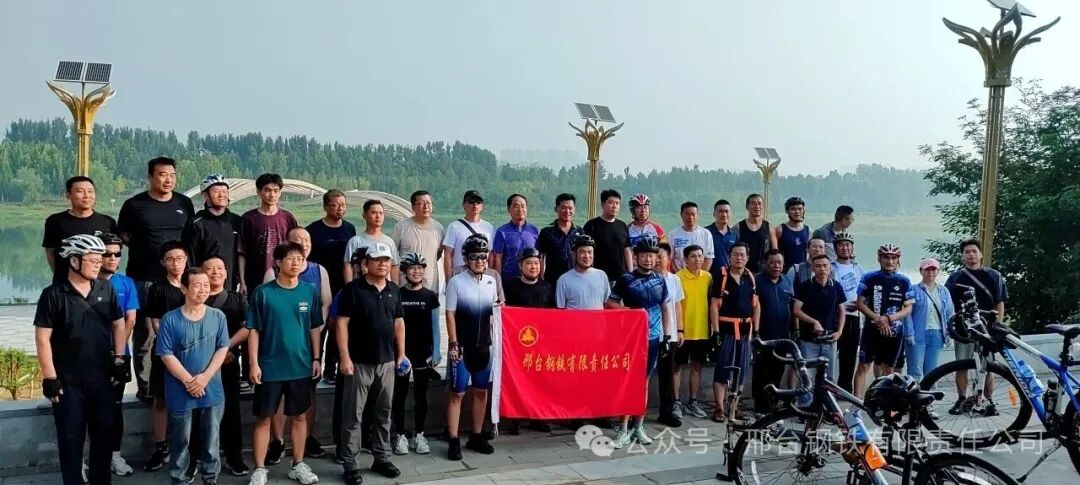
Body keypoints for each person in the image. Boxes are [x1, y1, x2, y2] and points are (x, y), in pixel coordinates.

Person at [35, 235, 126, 485]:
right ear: (74, 261)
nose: (99, 264)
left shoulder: (106, 289)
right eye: (93, 260)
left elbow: (119, 323)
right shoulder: (53, 294)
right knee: (70, 442)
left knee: (103, 440)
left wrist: (119, 359)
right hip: (68, 383)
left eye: (100, 259)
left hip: (101, 379)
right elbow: (42, 337)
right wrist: (50, 377)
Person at [246, 242, 324, 485]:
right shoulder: (263, 292)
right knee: (264, 418)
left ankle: (298, 464)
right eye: (290, 258)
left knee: (299, 416)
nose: (296, 263)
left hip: (300, 366)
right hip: (269, 367)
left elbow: (314, 327)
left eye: (300, 258)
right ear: (278, 262)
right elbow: (253, 330)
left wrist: (316, 358)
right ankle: (259, 469)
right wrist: (253, 363)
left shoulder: (309, 291)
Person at [117, 157, 195, 401]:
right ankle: (147, 385)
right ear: (150, 177)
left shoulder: (183, 203)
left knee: (183, 328)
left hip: (179, 279)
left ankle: (181, 378)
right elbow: (124, 236)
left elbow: (189, 236)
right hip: (144, 278)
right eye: (162, 174)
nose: (168, 179)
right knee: (146, 332)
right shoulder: (134, 205)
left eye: (172, 175)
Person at [336, 242, 406, 483]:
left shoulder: (394, 289)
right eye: (378, 260)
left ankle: (382, 458)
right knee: (353, 416)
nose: (383, 264)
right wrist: (344, 357)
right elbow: (341, 323)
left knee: (384, 413)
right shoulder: (353, 290)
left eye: (386, 260)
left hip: (386, 362)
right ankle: (351, 464)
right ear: (366, 264)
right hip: (358, 362)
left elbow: (398, 323)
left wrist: (401, 355)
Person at [262, 227, 333, 461]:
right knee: (279, 393)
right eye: (298, 240)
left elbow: (325, 304)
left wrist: (315, 330)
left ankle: (307, 438)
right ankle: (278, 441)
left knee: (308, 391)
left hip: (311, 341)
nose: (304, 243)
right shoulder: (272, 274)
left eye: (307, 239)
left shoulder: (319, 271)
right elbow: (266, 313)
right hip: (280, 345)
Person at [156, 268, 231, 485]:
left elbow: (222, 348)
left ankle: (210, 477)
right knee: (181, 440)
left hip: (212, 388)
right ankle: (179, 478)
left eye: (206, 285)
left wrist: (205, 378)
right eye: (197, 285)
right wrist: (189, 381)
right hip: (180, 390)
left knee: (212, 440)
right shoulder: (170, 319)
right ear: (184, 288)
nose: (203, 290)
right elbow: (165, 354)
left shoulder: (218, 316)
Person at [606, 235, 670, 449]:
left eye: (652, 256)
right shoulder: (627, 279)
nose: (648, 260)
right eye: (644, 255)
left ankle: (638, 427)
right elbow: (610, 303)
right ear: (636, 256)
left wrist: (667, 336)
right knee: (629, 382)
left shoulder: (660, 279)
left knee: (644, 383)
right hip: (632, 339)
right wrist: (631, 311)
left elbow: (665, 307)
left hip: (654, 338)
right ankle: (623, 429)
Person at [444, 235, 499, 460]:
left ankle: (476, 435)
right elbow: (450, 314)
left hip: (485, 346)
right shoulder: (456, 282)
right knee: (457, 394)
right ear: (466, 259)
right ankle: (453, 439)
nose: (480, 261)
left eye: (483, 257)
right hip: (463, 347)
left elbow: (495, 314)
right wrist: (453, 343)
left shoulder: (491, 282)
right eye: (475, 257)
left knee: (480, 392)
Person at [944, 239, 1007, 416]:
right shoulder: (956, 278)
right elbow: (948, 304)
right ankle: (961, 400)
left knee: (989, 366)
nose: (971, 255)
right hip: (964, 329)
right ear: (962, 256)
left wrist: (997, 325)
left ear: (980, 254)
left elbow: (1000, 302)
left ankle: (989, 401)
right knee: (962, 365)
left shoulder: (994, 275)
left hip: (987, 328)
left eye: (974, 251)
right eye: (967, 252)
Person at [202, 256, 251, 476]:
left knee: (231, 410)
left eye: (220, 268)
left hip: (229, 362)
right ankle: (198, 456)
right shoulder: (196, 298)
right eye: (210, 268)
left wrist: (225, 348)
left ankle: (233, 456)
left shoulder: (236, 299)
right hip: (199, 364)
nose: (216, 272)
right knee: (199, 411)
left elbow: (247, 328)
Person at [144, 241, 190, 472]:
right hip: (166, 351)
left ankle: (190, 447)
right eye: (170, 259)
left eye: (179, 258)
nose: (176, 263)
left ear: (186, 260)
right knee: (160, 399)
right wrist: (172, 347)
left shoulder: (194, 284)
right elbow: (156, 323)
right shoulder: (157, 289)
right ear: (163, 262)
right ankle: (161, 447)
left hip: (193, 351)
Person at [96, 233, 138, 477]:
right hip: (92, 356)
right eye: (107, 254)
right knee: (88, 408)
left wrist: (118, 347)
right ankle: (87, 458)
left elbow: (130, 319)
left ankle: (115, 455)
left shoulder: (126, 283)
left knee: (114, 406)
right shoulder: (86, 282)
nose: (112, 258)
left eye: (117, 254)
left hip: (120, 355)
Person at [501, 247, 555, 435]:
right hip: (518, 343)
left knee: (540, 381)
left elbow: (553, 316)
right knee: (518, 381)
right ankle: (515, 418)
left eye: (536, 263)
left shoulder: (547, 287)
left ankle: (537, 418)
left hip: (541, 343)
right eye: (529, 263)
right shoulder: (510, 286)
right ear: (520, 265)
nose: (533, 267)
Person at [390, 253, 441, 452]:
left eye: (420, 268)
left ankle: (419, 434)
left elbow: (436, 326)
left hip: (423, 353)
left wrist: (436, 352)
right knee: (400, 394)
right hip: (402, 353)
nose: (416, 272)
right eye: (412, 268)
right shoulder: (397, 294)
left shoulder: (430, 296)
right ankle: (400, 435)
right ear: (404, 272)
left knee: (421, 395)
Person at [305, 190, 356, 386]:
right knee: (319, 327)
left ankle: (331, 371)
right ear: (325, 206)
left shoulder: (349, 229)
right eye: (335, 205)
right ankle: (314, 365)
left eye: (343, 205)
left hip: (342, 288)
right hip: (318, 286)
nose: (340, 208)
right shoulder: (313, 230)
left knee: (338, 328)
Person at [854, 244, 915, 398]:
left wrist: (889, 318)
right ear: (879, 259)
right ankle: (856, 403)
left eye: (893, 258)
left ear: (898, 260)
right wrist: (878, 319)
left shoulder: (904, 281)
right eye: (886, 257)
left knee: (889, 369)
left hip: (894, 331)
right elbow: (860, 303)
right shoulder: (869, 277)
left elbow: (908, 308)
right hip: (871, 329)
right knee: (863, 366)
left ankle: (885, 402)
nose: (890, 261)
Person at [710, 242, 760, 421]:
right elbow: (714, 305)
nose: (739, 258)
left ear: (747, 257)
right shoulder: (721, 277)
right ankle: (719, 408)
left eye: (742, 255)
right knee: (723, 369)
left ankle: (734, 407)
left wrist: (756, 331)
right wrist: (716, 332)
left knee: (742, 370)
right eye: (735, 254)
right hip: (727, 331)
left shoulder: (750, 278)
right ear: (729, 257)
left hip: (746, 332)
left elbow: (756, 305)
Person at [43, 176, 118, 285]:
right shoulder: (55, 221)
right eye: (80, 191)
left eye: (90, 191)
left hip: (98, 284)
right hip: (65, 284)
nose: (87, 196)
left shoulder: (108, 222)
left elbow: (114, 252)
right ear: (68, 195)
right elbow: (50, 252)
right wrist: (59, 275)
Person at [238, 173, 298, 297]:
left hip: (283, 278)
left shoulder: (288, 218)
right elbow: (242, 253)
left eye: (276, 191)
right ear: (258, 192)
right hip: (254, 280)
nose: (272, 195)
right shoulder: (248, 219)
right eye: (267, 190)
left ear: (280, 193)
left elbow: (296, 251)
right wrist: (242, 282)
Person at [182, 174, 242, 290]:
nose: (221, 195)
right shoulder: (196, 223)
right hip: (204, 287)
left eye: (224, 191)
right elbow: (189, 258)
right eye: (216, 191)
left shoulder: (236, 221)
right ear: (205, 195)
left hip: (231, 285)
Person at [793, 254, 847, 382]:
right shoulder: (805, 286)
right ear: (813, 268)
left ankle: (825, 396)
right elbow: (796, 310)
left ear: (829, 268)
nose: (822, 269)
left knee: (828, 379)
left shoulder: (836, 286)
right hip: (809, 341)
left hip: (830, 340)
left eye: (825, 266)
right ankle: (807, 397)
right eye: (818, 266)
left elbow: (842, 311)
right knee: (807, 378)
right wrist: (814, 322)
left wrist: (839, 332)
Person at [674, 245, 714, 419]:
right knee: (677, 367)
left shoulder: (708, 277)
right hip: (682, 332)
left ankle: (693, 401)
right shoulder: (678, 277)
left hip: (702, 330)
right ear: (685, 259)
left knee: (697, 366)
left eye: (700, 256)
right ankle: (676, 402)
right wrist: (678, 329)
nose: (697, 259)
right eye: (693, 256)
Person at [753, 249, 793, 412]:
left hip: (783, 335)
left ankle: (773, 401)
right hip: (763, 335)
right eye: (772, 263)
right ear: (765, 263)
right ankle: (761, 404)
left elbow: (792, 305)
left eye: (779, 263)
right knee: (762, 370)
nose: (776, 266)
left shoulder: (787, 281)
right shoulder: (756, 281)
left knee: (778, 368)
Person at [904, 258, 954, 382]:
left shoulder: (944, 291)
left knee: (932, 372)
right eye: (927, 269)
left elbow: (949, 313)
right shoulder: (913, 290)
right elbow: (907, 314)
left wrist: (949, 333)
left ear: (938, 271)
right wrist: (909, 333)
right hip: (917, 334)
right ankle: (914, 394)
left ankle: (929, 394)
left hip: (937, 335)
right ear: (921, 271)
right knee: (915, 371)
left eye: (933, 269)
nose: (930, 272)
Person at [830, 232, 866, 394]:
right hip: (834, 317)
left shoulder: (859, 269)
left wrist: (860, 305)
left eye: (847, 245)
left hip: (854, 316)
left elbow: (866, 293)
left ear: (852, 248)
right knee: (831, 353)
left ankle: (844, 389)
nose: (845, 248)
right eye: (841, 245)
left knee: (849, 355)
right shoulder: (831, 267)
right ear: (835, 248)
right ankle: (828, 389)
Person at [654, 243, 684, 427]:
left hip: (670, 335)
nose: (657, 260)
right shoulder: (645, 280)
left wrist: (680, 330)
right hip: (650, 335)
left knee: (667, 374)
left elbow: (677, 306)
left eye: (661, 256)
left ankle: (666, 411)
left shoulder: (674, 280)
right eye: (654, 256)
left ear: (668, 259)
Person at [392, 190, 444, 292]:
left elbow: (438, 254)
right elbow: (393, 256)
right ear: (413, 207)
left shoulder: (438, 228)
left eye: (428, 203)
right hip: (406, 285)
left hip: (430, 285)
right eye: (421, 203)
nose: (426, 207)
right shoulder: (401, 227)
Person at [343, 199, 400, 283]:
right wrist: (349, 288)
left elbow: (394, 266)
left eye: (381, 213)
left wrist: (395, 288)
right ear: (364, 215)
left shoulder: (389, 241)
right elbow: (348, 266)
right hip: (360, 288)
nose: (378, 216)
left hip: (385, 288)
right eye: (374, 213)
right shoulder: (355, 241)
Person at [442, 189, 495, 277]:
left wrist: (490, 276)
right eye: (471, 202)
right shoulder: (454, 226)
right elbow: (447, 255)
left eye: (478, 202)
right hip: (460, 274)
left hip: (482, 275)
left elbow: (490, 254)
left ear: (482, 206)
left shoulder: (488, 227)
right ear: (464, 204)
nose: (475, 205)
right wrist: (449, 279)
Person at [584, 189, 633, 283]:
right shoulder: (592, 225)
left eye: (617, 203)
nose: (614, 206)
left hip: (620, 277)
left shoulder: (622, 226)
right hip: (598, 277)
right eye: (610, 202)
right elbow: (586, 251)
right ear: (603, 204)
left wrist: (631, 274)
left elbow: (627, 250)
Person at [536, 193, 584, 287]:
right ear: (556, 209)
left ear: (574, 209)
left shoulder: (580, 232)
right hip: (552, 280)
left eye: (570, 208)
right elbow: (540, 256)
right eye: (563, 208)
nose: (567, 211)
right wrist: (540, 277)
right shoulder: (547, 232)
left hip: (575, 279)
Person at [555, 234, 610, 310]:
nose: (587, 256)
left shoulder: (602, 275)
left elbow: (607, 303)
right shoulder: (563, 280)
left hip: (598, 318)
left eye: (590, 252)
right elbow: (560, 310)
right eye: (582, 252)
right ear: (574, 254)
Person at [492, 194, 539, 280]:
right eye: (516, 206)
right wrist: (498, 280)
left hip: (530, 279)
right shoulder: (502, 231)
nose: (520, 209)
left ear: (526, 208)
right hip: (509, 279)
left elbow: (538, 256)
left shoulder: (533, 230)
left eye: (523, 206)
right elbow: (498, 258)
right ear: (508, 209)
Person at [668, 201, 714, 272]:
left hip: (701, 276)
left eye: (693, 214)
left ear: (697, 215)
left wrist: (700, 276)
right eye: (687, 214)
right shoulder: (673, 234)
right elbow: (671, 259)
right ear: (681, 215)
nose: (690, 217)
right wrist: (680, 275)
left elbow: (709, 259)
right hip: (679, 275)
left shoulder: (706, 234)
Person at [737, 194, 774, 274]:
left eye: (759, 204)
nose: (757, 206)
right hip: (743, 272)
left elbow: (774, 252)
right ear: (747, 207)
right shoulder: (738, 227)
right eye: (753, 203)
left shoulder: (769, 227)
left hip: (764, 272)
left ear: (763, 207)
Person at [705, 199, 738, 281]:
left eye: (726, 211)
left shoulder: (734, 235)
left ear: (730, 214)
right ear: (714, 214)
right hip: (709, 277)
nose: (724, 214)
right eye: (720, 211)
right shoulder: (705, 232)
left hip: (728, 278)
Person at [773, 197, 809, 273]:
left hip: (802, 272)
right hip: (784, 272)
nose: (797, 212)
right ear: (787, 211)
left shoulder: (808, 230)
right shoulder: (779, 230)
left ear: (804, 211)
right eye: (793, 209)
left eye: (800, 209)